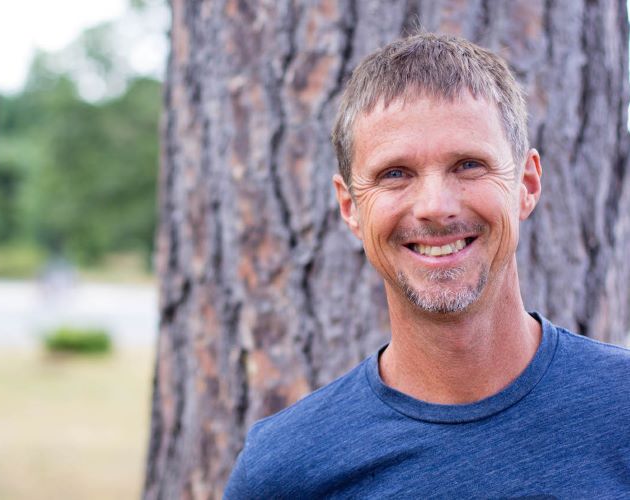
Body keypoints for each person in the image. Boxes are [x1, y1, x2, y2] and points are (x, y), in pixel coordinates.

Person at [224, 33, 630, 498]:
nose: (435, 207)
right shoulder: (285, 470)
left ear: (527, 184)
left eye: (469, 165)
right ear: (350, 205)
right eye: (394, 174)